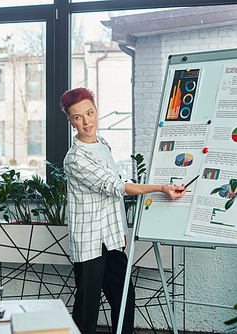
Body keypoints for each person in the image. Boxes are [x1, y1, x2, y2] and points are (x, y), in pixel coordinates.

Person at [60, 87, 186, 334]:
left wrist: (121, 230)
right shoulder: (75, 158)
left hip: (111, 237)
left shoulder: (102, 143)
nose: (86, 121)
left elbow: (112, 196)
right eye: (78, 117)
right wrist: (160, 187)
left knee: (124, 294)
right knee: (88, 306)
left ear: (96, 112)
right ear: (71, 122)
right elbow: (115, 187)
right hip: (89, 240)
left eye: (90, 113)